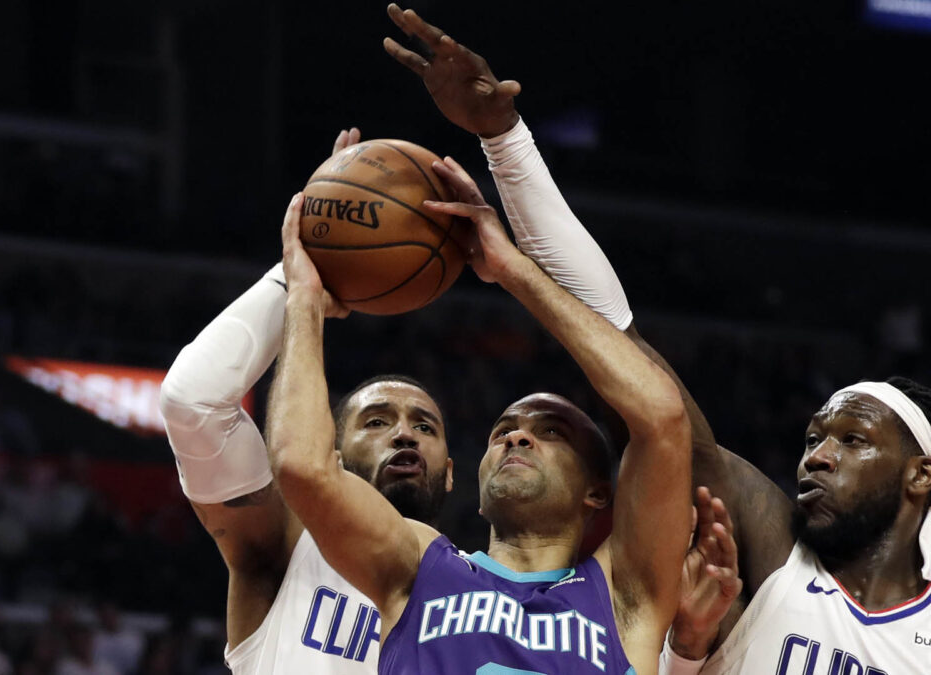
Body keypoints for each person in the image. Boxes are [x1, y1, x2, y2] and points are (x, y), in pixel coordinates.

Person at [381, 8, 931, 673]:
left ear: (920, 476)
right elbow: (620, 338)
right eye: (814, 438)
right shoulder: (777, 551)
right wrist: (505, 141)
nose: (817, 456)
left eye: (852, 441)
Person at [265, 149, 691, 673]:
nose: (516, 438)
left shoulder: (627, 597)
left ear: (598, 491)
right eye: (502, 432)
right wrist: (304, 298)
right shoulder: (419, 565)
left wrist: (515, 270)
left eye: (551, 431)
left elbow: (663, 418)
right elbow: (302, 466)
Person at [159, 128, 454, 674]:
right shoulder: (283, 549)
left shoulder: (482, 597)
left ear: (453, 473)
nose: (405, 433)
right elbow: (193, 403)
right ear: (331, 452)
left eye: (425, 426)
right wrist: (301, 278)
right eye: (377, 420)